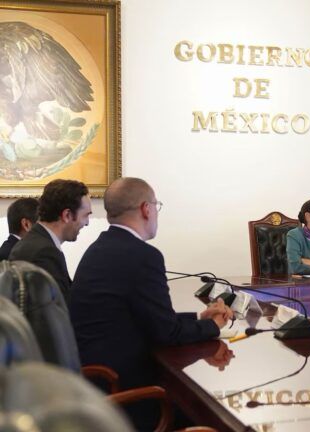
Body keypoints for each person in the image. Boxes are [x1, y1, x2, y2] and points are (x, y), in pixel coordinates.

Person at [69, 177, 232, 430]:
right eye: (157, 206)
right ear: (147, 209)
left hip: (95, 386)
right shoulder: (143, 256)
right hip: (126, 393)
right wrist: (214, 326)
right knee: (211, 416)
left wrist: (200, 318)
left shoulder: (99, 248)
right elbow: (166, 333)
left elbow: (150, 318)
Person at [10, 180, 91, 303]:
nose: (87, 223)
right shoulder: (44, 253)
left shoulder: (36, 242)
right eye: (85, 215)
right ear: (67, 215)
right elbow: (54, 311)